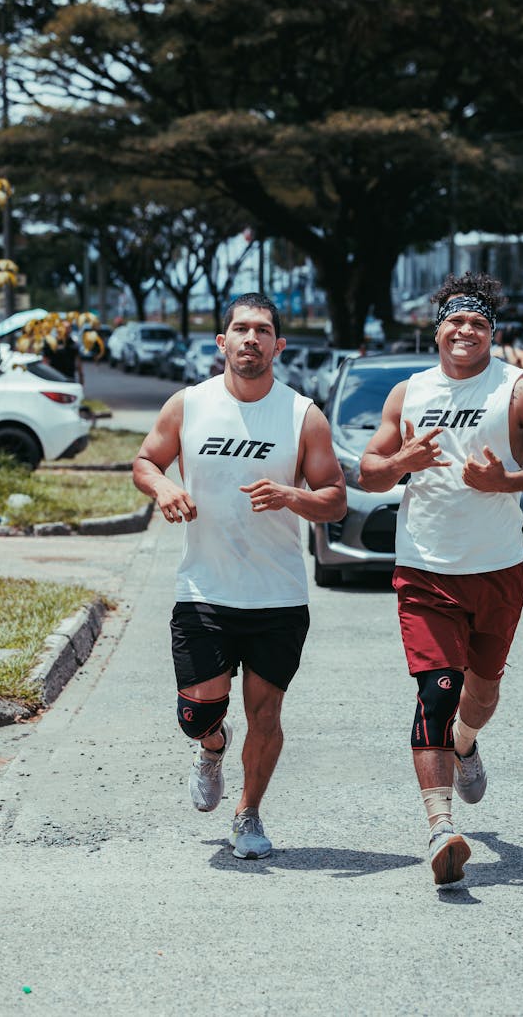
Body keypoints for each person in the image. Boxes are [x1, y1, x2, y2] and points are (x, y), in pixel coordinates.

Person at [359, 272, 523, 886]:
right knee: (435, 688)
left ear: (492, 333)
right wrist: (401, 464)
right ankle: (441, 828)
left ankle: (466, 742)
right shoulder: (406, 393)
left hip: (496, 570)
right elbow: (368, 473)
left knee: (480, 694)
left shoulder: (519, 391)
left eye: (478, 324)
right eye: (456, 322)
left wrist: (507, 482)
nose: (466, 331)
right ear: (437, 329)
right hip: (425, 568)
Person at [133, 292, 346, 860]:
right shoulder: (189, 405)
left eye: (263, 330)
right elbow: (145, 460)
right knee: (198, 712)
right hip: (204, 588)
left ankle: (248, 814)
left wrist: (291, 495)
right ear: (222, 342)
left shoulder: (303, 414)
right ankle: (211, 747)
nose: (251, 339)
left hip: (277, 595)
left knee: (267, 713)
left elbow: (335, 501)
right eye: (241, 329)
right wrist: (164, 486)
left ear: (279, 345)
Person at [42, 319, 84, 384]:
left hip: (69, 377)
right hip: (54, 378)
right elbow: (45, 361)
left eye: (68, 328)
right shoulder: (52, 343)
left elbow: (78, 361)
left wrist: (81, 377)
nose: (66, 330)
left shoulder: (73, 344)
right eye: (64, 327)